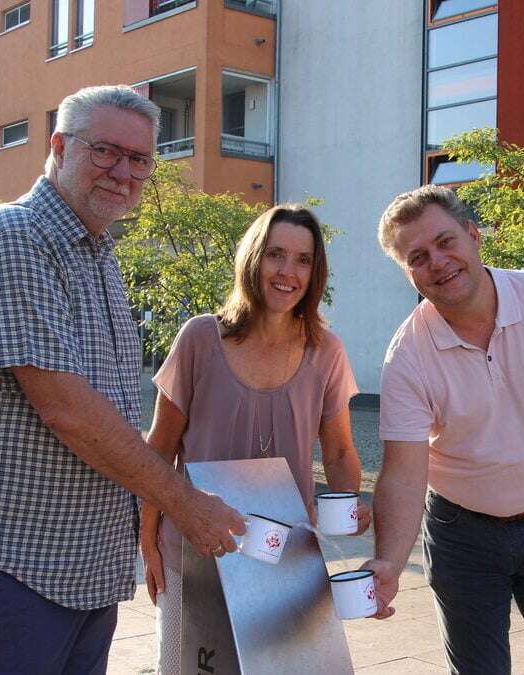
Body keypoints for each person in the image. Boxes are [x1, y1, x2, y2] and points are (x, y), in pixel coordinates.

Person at [0, 85, 245, 673]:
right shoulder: (15, 235)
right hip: (8, 566)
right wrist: (182, 502)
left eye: (140, 159)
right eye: (106, 151)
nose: (124, 172)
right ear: (60, 146)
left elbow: (109, 412)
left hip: (80, 570)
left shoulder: (100, 255)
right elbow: (65, 407)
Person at [365, 185, 524, 674]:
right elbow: (403, 474)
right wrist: (389, 563)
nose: (438, 262)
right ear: (407, 272)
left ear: (473, 235)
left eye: (445, 242)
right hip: (461, 536)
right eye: (418, 257)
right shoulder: (407, 358)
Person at [140, 204, 371, 675]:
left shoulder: (327, 352)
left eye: (303, 260)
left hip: (280, 556)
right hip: (193, 548)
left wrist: (349, 516)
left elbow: (343, 452)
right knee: (186, 667)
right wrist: (147, 538)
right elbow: (159, 449)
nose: (288, 272)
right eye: (276, 254)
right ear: (253, 259)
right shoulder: (200, 338)